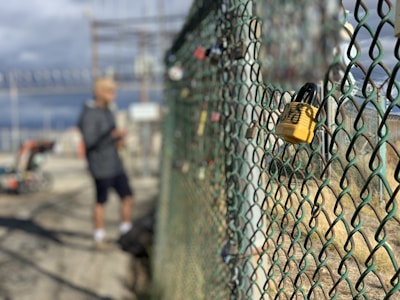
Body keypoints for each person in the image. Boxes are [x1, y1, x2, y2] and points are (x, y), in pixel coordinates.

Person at [78, 77, 134, 247]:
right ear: (100, 92)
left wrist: (119, 140)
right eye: (110, 91)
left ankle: (126, 231)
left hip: (115, 164)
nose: (113, 95)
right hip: (100, 166)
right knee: (101, 201)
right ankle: (99, 235)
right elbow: (90, 141)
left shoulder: (108, 111)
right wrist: (111, 136)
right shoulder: (89, 114)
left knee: (127, 196)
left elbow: (111, 136)